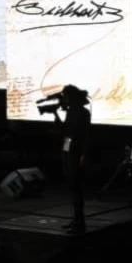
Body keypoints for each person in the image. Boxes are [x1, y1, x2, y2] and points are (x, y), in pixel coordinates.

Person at [53, 85, 91, 234]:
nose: (65, 100)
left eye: (66, 97)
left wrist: (84, 154)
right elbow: (64, 130)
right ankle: (76, 220)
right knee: (72, 187)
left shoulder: (83, 113)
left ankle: (79, 222)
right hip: (68, 151)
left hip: (76, 152)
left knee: (76, 188)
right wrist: (56, 114)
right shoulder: (71, 112)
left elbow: (87, 135)